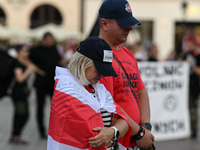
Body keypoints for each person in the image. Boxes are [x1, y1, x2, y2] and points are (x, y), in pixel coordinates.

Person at [47, 36, 132, 150]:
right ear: (82, 61)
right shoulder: (66, 88)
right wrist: (114, 132)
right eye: (98, 68)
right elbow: (94, 137)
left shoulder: (98, 89)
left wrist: (112, 132)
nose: (102, 75)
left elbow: (125, 121)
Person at [98, 0, 154, 149]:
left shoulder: (128, 53)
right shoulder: (98, 56)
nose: (129, 28)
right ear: (105, 24)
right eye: (122, 24)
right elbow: (109, 105)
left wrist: (145, 126)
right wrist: (140, 133)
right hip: (117, 142)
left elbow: (141, 91)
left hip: (134, 139)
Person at [29, 32, 61, 138]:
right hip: (41, 84)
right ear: (43, 40)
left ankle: (56, 129)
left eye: (51, 40)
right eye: (48, 40)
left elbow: (59, 61)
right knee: (40, 107)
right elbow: (28, 59)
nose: (50, 42)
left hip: (53, 83)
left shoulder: (54, 49)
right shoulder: (35, 50)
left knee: (56, 108)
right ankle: (41, 130)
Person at [8, 44, 35, 145]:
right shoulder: (17, 63)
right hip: (18, 93)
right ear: (19, 51)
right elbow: (20, 79)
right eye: (25, 51)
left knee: (21, 114)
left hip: (21, 93)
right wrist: (29, 70)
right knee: (22, 114)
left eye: (28, 51)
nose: (27, 53)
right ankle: (15, 136)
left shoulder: (22, 62)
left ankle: (15, 135)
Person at [178, 35, 200, 139]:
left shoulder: (198, 57)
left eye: (189, 45)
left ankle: (193, 130)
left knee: (193, 109)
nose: (187, 47)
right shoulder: (186, 55)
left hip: (194, 87)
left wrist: (191, 65)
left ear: (194, 45)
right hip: (184, 87)